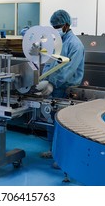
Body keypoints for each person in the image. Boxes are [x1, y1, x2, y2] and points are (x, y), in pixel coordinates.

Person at [36, 10, 85, 166]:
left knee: (63, 123)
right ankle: (54, 150)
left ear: (66, 25)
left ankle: (64, 156)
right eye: (53, 26)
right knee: (51, 120)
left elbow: (68, 70)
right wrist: (43, 79)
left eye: (57, 26)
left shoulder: (75, 44)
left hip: (65, 89)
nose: (55, 29)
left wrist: (53, 82)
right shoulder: (56, 42)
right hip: (53, 87)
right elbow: (50, 62)